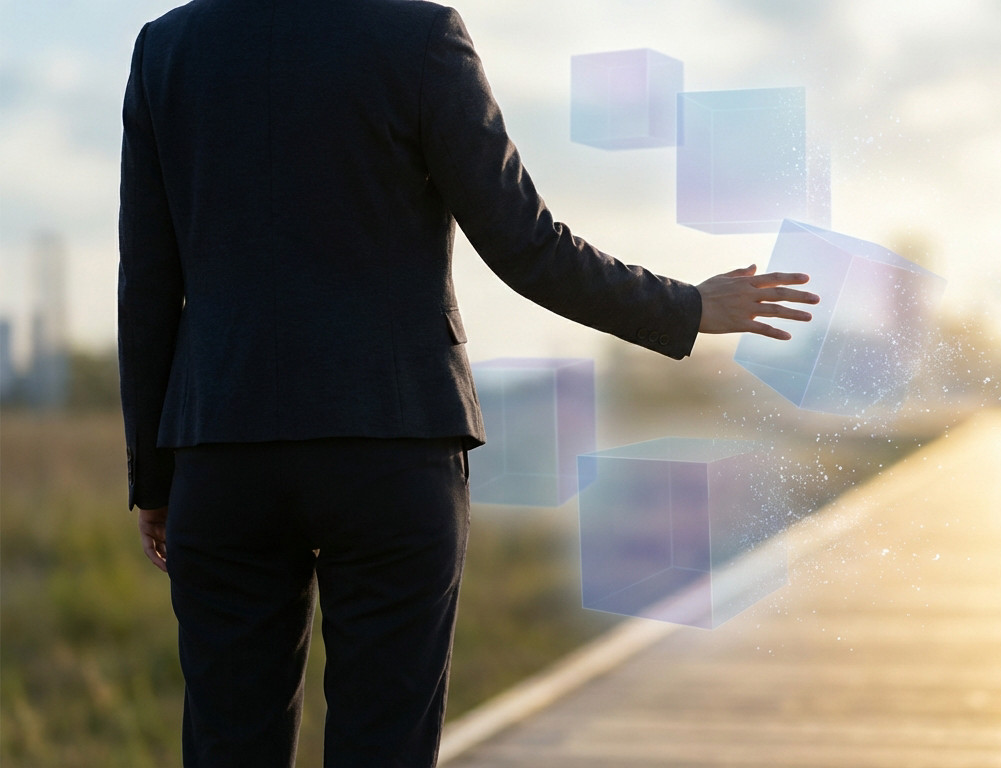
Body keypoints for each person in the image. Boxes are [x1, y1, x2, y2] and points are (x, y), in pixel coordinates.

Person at [118, 1, 817, 765]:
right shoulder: (416, 35)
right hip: (393, 446)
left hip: (222, 454)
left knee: (228, 745)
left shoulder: (167, 50)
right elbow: (526, 244)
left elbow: (149, 286)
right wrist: (683, 308)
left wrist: (156, 480)